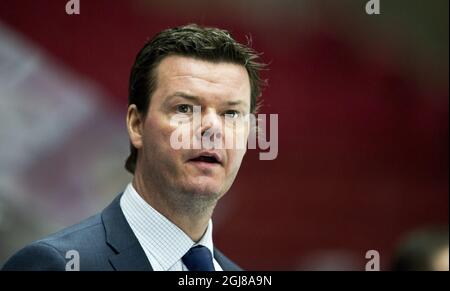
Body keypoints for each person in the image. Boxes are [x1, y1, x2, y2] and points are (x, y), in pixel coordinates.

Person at [2, 24, 266, 271]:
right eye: (185, 108)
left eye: (231, 114)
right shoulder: (53, 264)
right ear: (137, 125)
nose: (212, 129)